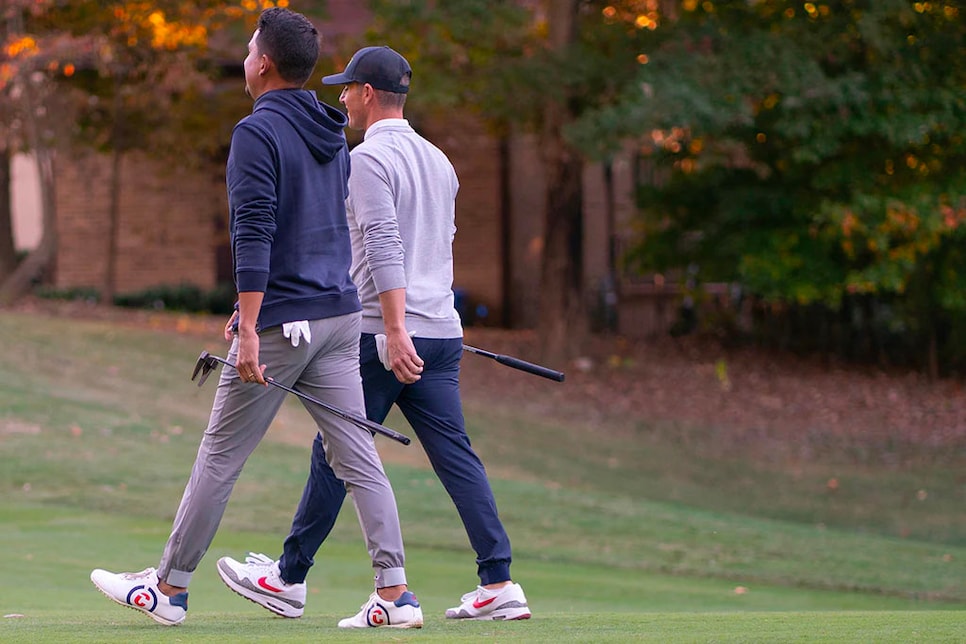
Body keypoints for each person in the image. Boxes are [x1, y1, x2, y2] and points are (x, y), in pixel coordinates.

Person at [89, 10, 422, 630]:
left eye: (248, 50)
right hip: (339, 318)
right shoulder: (331, 130)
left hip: (286, 326)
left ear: (264, 62)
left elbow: (255, 232)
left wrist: (248, 324)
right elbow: (309, 231)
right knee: (357, 455)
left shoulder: (255, 132)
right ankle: (396, 593)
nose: (245, 59)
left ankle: (169, 588)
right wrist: (246, 314)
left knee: (221, 453)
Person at [216, 45, 531, 622]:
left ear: (366, 93)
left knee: (339, 450)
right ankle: (499, 580)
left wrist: (392, 328)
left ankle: (290, 578)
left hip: (387, 333)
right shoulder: (440, 160)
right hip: (440, 332)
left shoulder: (364, 160)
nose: (339, 98)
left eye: (346, 89)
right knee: (454, 456)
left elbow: (384, 243)